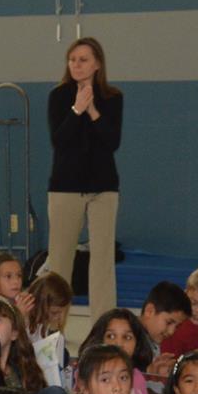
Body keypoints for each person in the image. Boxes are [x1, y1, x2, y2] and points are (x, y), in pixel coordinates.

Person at [46, 37, 124, 308]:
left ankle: (103, 326)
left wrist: (92, 111)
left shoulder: (113, 98)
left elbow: (112, 141)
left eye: (83, 60)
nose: (76, 65)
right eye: (72, 59)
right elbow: (60, 140)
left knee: (102, 260)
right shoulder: (58, 96)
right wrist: (77, 109)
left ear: (97, 64)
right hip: (66, 187)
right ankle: (53, 327)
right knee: (60, 261)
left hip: (103, 187)